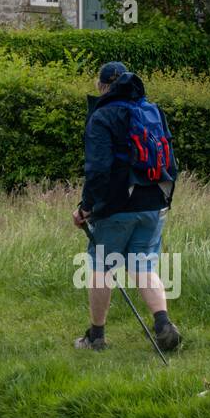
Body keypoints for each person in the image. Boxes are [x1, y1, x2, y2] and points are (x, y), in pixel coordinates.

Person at [71, 61, 182, 352]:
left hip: (117, 206)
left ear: (102, 86)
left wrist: (85, 209)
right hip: (155, 201)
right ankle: (163, 324)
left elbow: (98, 170)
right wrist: (165, 198)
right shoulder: (152, 111)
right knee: (143, 263)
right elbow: (171, 161)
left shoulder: (101, 116)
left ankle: (96, 337)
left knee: (102, 266)